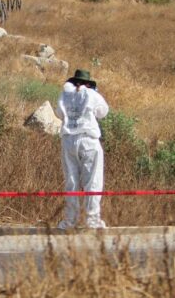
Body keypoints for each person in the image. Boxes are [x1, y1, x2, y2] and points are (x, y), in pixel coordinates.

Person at [55, 69, 109, 230]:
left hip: (68, 139)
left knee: (71, 181)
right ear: (87, 83)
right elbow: (102, 112)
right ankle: (91, 221)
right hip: (88, 139)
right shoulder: (92, 95)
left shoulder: (64, 94)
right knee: (92, 180)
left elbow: (59, 114)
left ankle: (70, 221)